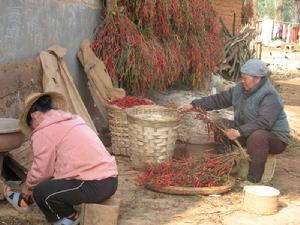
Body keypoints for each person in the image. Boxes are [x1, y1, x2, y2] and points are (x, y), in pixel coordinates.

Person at [6, 92, 118, 225]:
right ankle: (29, 202)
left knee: (42, 193)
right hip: (110, 180)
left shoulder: (44, 131)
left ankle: (68, 217)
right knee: (49, 184)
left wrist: (27, 188)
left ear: (34, 116)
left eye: (31, 125)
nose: (33, 129)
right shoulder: (72, 120)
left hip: (95, 184)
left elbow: (42, 171)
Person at [179, 59, 290, 183]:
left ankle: (253, 179)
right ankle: (226, 165)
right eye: (241, 78)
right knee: (221, 124)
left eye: (245, 78)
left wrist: (239, 131)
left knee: (257, 137)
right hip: (248, 131)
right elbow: (219, 99)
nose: (242, 81)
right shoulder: (240, 89)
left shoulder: (270, 96)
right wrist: (195, 105)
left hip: (274, 138)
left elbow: (264, 123)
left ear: (257, 79)